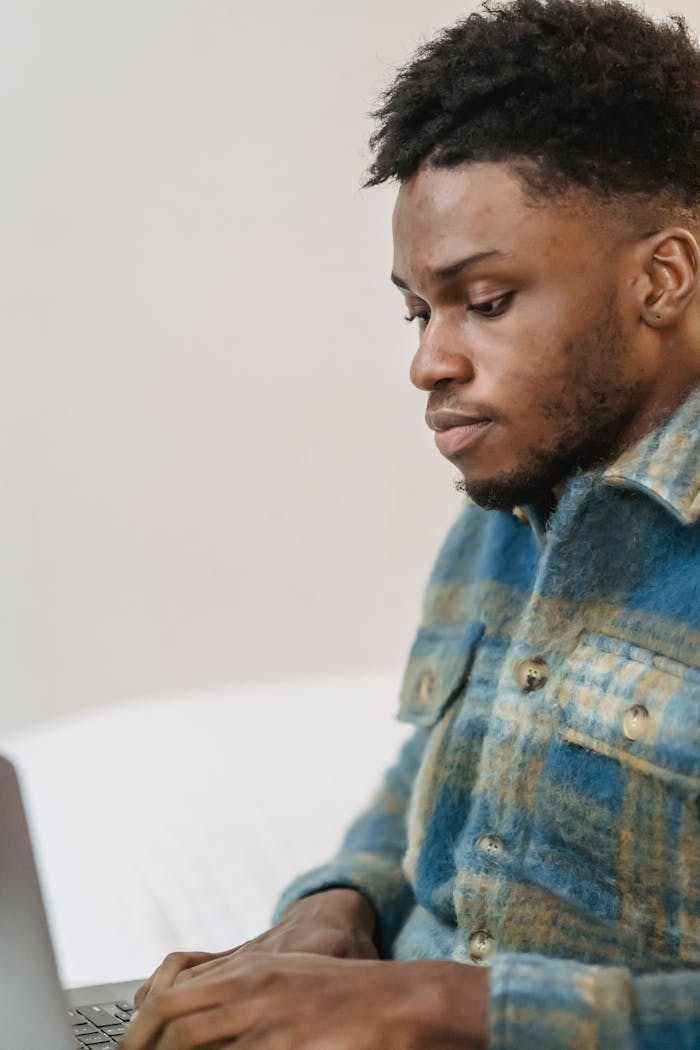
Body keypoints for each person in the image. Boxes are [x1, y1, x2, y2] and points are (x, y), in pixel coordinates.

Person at [121, 0, 700, 1046]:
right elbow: (433, 794)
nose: (427, 362)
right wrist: (333, 911)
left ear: (660, 279)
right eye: (416, 309)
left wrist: (440, 1008)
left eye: (484, 300)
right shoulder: (508, 502)